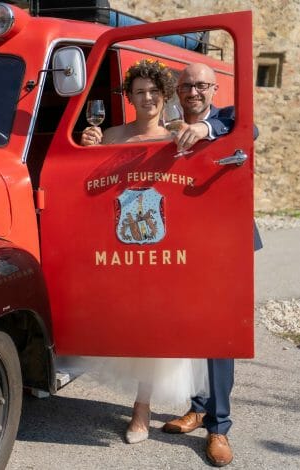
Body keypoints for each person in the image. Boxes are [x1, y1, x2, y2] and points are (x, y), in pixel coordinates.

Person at [80, 59, 209, 445]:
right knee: (129, 324)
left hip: (162, 243)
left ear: (164, 95)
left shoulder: (178, 136)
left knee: (156, 325)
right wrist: (88, 147)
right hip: (119, 243)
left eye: (154, 91)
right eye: (139, 92)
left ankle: (142, 409)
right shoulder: (113, 135)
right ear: (130, 97)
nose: (147, 97)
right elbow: (90, 185)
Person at [162, 62, 260, 468]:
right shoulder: (165, 126)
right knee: (189, 327)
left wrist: (206, 129)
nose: (194, 91)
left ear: (214, 88)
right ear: (178, 91)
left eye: (201, 85)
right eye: (186, 85)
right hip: (182, 241)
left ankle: (219, 427)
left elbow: (246, 130)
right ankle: (198, 407)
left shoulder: (230, 118)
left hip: (225, 243)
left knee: (219, 335)